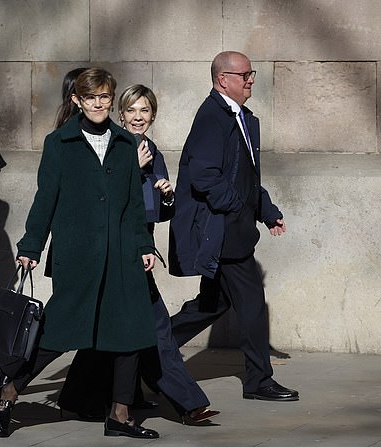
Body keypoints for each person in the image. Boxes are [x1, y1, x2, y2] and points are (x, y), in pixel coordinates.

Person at [0, 68, 160, 439]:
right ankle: (9, 392)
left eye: (104, 97)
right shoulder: (59, 143)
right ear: (77, 101)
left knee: (129, 334)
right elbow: (45, 199)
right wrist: (31, 246)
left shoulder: (126, 143)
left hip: (121, 256)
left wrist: (144, 245)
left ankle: (119, 414)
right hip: (77, 255)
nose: (99, 104)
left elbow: (132, 205)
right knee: (56, 335)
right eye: (91, 97)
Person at [57, 84, 220, 425]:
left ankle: (84, 397)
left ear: (153, 115)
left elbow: (155, 213)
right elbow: (96, 197)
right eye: (131, 110)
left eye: (144, 111)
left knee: (119, 330)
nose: (137, 117)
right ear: (120, 114)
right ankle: (187, 403)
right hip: (113, 250)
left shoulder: (152, 150)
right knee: (154, 327)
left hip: (137, 248)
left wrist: (167, 195)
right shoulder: (113, 145)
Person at [168, 51, 299, 402]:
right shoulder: (212, 116)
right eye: (245, 75)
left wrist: (266, 210)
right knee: (252, 303)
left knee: (210, 306)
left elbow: (245, 175)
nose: (251, 80)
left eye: (251, 74)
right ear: (223, 79)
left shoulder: (241, 116)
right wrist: (237, 207)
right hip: (223, 232)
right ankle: (258, 382)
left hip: (234, 228)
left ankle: (149, 346)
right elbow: (204, 175)